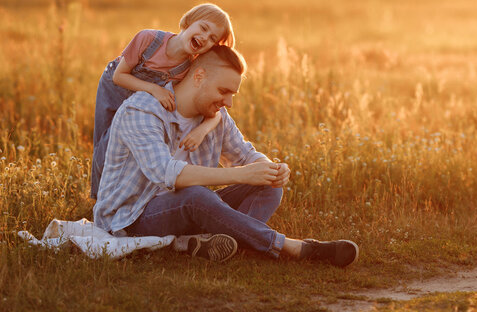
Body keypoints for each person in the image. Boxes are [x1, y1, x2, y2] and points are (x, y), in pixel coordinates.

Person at [93, 45, 359, 267]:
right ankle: (293, 248)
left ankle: (217, 242)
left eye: (233, 94)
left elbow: (246, 155)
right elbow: (166, 174)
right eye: (224, 91)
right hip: (132, 217)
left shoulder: (215, 116)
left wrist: (270, 168)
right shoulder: (141, 110)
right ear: (198, 77)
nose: (229, 102)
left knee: (267, 184)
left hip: (188, 208)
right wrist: (241, 174)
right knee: (197, 197)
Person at [91, 3, 235, 199]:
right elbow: (119, 76)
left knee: (124, 145)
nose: (204, 38)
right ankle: (99, 199)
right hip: (116, 88)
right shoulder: (149, 39)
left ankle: (122, 196)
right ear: (189, 21)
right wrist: (154, 89)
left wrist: (201, 130)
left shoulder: (188, 68)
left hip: (143, 100)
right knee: (105, 144)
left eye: (212, 39)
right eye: (203, 28)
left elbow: (216, 115)